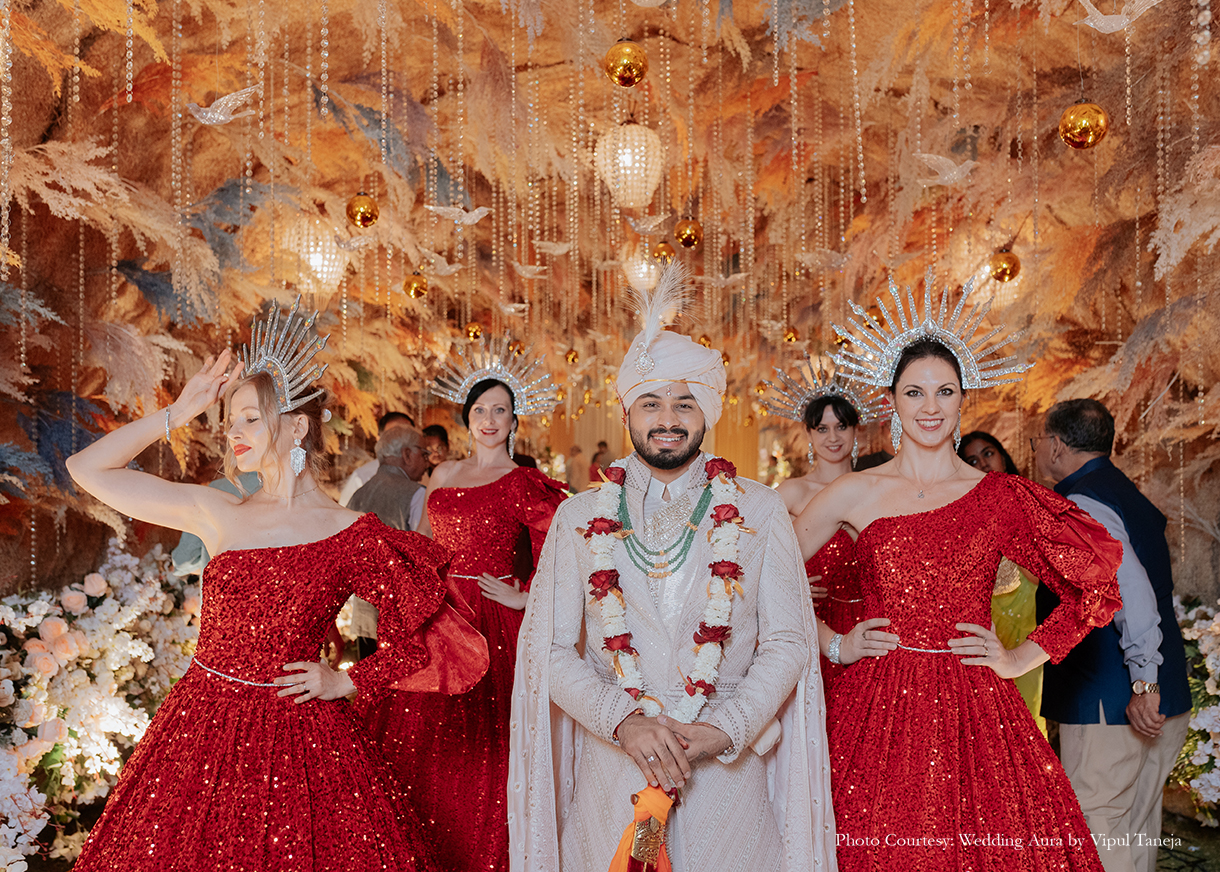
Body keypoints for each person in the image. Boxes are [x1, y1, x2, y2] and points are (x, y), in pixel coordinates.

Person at [63, 299, 487, 871]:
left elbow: (435, 639)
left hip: (303, 739)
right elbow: (86, 470)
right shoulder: (218, 511)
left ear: (296, 426)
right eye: (229, 420)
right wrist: (180, 412)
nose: (232, 432)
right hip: (201, 730)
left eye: (249, 418)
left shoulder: (351, 533)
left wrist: (347, 681)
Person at [792, 270, 1124, 870]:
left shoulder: (1000, 497)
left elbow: (1094, 582)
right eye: (915, 392)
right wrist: (834, 643)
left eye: (944, 392)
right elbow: (765, 576)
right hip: (875, 707)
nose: (930, 407)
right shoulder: (853, 493)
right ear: (891, 400)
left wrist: (1020, 658)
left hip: (974, 707)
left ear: (963, 400)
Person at [510, 266, 836, 872]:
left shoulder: (760, 510)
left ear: (707, 412)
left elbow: (788, 640)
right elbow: (547, 650)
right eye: (651, 403)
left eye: (685, 403)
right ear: (627, 413)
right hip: (614, 771)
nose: (668, 418)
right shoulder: (577, 517)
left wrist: (725, 728)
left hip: (726, 780)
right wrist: (624, 722)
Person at [359, 335, 567, 872]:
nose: (489, 420)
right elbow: (425, 543)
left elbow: (562, 553)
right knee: (420, 743)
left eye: (500, 410)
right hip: (440, 613)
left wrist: (524, 595)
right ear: (467, 418)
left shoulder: (524, 482)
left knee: (485, 751)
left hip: (495, 623)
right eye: (480, 410)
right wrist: (408, 597)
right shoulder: (444, 474)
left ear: (514, 420)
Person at [1034, 399, 1191, 872]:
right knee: (1137, 829)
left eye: (1038, 440)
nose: (1037, 449)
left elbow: (1133, 593)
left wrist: (1143, 682)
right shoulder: (1126, 492)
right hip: (1161, 693)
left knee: (1097, 828)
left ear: (1057, 446)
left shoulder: (1082, 503)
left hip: (1114, 701)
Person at [765, 355, 883, 688]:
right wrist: (793, 582)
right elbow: (756, 559)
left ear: (856, 430)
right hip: (811, 625)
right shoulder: (792, 492)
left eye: (841, 426)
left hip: (871, 625)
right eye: (822, 428)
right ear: (809, 433)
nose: (833, 437)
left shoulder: (876, 489)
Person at [958, 429, 1045, 732]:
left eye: (988, 453)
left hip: (1025, 623)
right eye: (972, 460)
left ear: (1003, 457)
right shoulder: (961, 515)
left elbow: (1042, 575)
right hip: (981, 627)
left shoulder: (1029, 502)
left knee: (1027, 718)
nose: (982, 463)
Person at [347, 425, 431, 658]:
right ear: (407, 454)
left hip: (365, 616)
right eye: (424, 454)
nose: (427, 463)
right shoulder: (417, 494)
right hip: (403, 618)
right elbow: (424, 554)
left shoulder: (358, 495)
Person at [337, 410, 414, 506]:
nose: (401, 441)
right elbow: (345, 513)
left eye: (408, 434)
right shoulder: (362, 478)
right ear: (379, 440)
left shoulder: (423, 476)